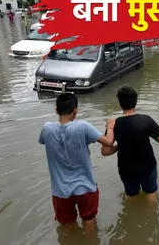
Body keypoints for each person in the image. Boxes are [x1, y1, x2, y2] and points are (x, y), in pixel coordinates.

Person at [39, 93, 116, 231]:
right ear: (76, 111)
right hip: (85, 187)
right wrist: (110, 127)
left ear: (56, 109)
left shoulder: (46, 128)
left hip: (60, 190)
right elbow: (109, 142)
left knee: (67, 226)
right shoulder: (83, 126)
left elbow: (44, 141)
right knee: (89, 222)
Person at [101, 86, 159, 203]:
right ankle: (152, 217)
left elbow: (105, 151)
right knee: (151, 192)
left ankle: (131, 217)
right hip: (147, 165)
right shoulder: (146, 120)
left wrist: (120, 145)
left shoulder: (114, 124)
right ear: (136, 102)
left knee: (131, 195)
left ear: (120, 103)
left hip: (126, 168)